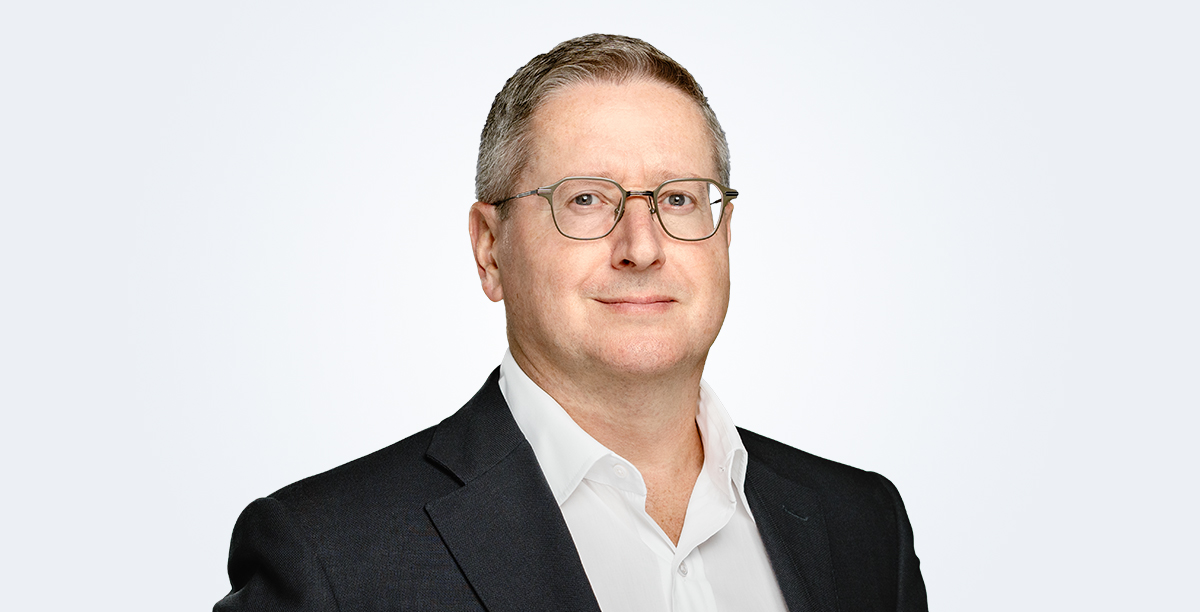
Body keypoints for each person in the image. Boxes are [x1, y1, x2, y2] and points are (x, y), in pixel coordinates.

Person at [215, 33, 927, 612]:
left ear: (726, 235)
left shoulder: (863, 526)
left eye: (679, 199)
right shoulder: (331, 557)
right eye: (586, 199)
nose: (642, 247)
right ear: (490, 249)